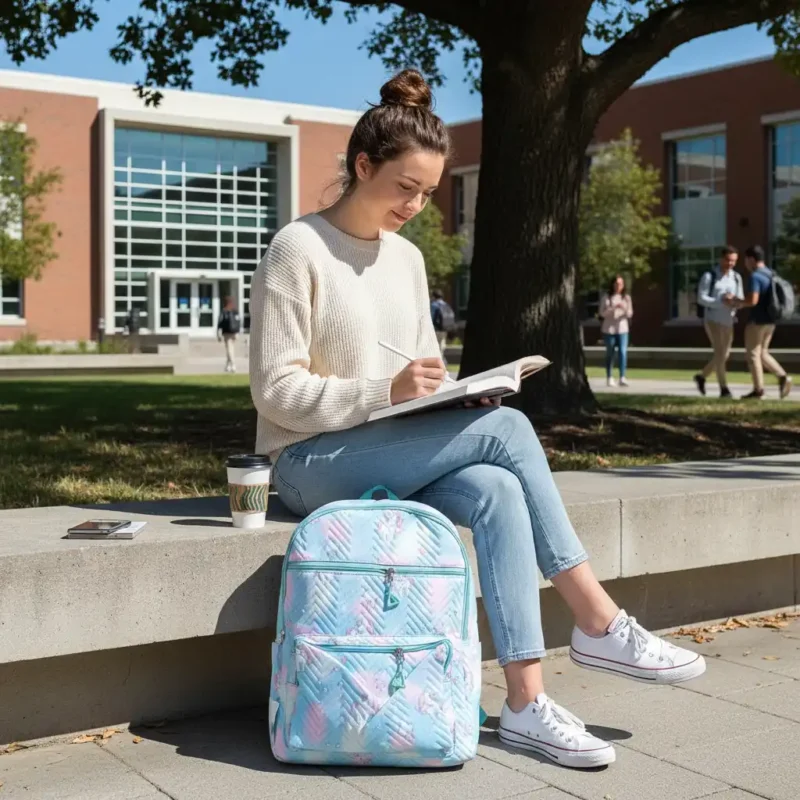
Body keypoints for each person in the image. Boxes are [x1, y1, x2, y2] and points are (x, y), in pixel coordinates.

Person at [249, 69, 705, 771]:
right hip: (310, 463)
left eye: (428, 193)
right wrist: (386, 392)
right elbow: (275, 392)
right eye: (405, 187)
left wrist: (457, 397)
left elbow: (420, 374)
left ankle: (525, 703)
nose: (417, 205)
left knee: (497, 485)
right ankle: (597, 620)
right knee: (512, 432)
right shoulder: (297, 248)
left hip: (389, 448)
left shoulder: (407, 259)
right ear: (363, 166)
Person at [725, 245, 792, 399]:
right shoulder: (770, 274)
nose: (746, 265)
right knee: (763, 353)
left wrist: (735, 301)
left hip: (757, 321)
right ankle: (783, 377)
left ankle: (758, 390)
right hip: (770, 321)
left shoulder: (755, 276)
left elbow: (752, 300)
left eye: (746, 261)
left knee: (753, 355)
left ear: (751, 259)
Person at [693, 246, 743, 399]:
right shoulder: (710, 276)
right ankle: (724, 388)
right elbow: (701, 298)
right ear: (721, 259)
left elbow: (740, 299)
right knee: (720, 353)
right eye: (728, 260)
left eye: (733, 261)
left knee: (725, 354)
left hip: (728, 319)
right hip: (713, 319)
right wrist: (720, 301)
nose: (730, 264)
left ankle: (702, 376)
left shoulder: (736, 277)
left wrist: (735, 302)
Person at [599, 275, 633, 387]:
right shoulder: (607, 297)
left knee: (623, 352)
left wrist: (623, 307)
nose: (619, 286)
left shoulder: (626, 298)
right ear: (613, 284)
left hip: (622, 329)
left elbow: (629, 313)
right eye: (617, 284)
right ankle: (609, 377)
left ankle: (622, 377)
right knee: (610, 352)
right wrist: (613, 308)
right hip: (609, 329)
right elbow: (602, 313)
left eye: (621, 284)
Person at [217, 296, 241, 374]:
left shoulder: (224, 311)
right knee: (230, 349)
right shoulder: (235, 311)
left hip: (227, 333)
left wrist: (218, 333)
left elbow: (220, 322)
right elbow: (238, 321)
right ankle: (228, 365)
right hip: (234, 333)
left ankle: (233, 365)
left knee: (229, 349)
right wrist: (238, 331)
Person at [430, 289, 454, 362]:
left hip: (436, 329)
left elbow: (431, 317)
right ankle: (441, 360)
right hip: (445, 328)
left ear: (434, 296)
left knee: (434, 346)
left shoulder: (434, 305)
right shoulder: (446, 305)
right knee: (441, 346)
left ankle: (437, 361)